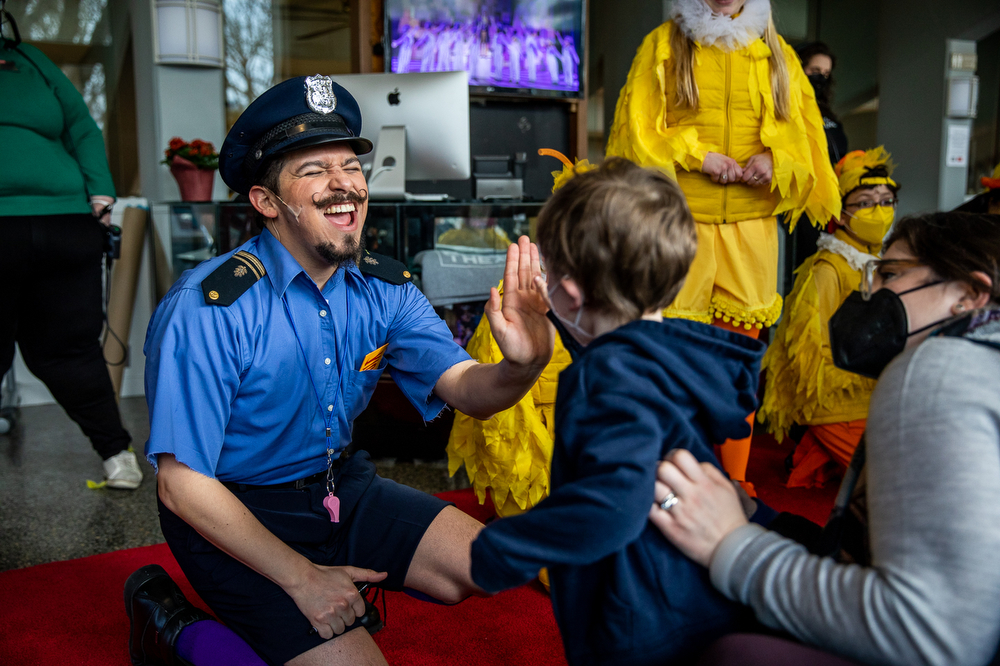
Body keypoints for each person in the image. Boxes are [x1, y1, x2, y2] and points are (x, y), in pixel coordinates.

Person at [132, 75, 553, 666]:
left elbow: (469, 391)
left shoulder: (385, 287)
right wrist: (303, 579)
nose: (343, 186)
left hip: (337, 487)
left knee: (485, 567)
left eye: (351, 167)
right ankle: (174, 626)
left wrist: (525, 363)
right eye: (313, 171)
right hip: (233, 512)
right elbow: (181, 484)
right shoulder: (209, 308)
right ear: (266, 203)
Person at [650, 212, 1000, 666]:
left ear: (970, 294)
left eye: (890, 274)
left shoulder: (935, 368)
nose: (870, 292)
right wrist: (762, 518)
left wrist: (727, 543)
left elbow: (932, 634)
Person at [469, 158, 768, 665]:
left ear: (567, 292)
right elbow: (620, 361)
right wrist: (564, 324)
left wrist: (500, 549)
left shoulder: (605, 376)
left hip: (636, 614)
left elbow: (614, 502)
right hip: (689, 588)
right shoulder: (666, 352)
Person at [605, 0, 840, 495]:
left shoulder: (778, 53)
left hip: (752, 231)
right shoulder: (663, 45)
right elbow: (638, 132)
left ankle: (733, 479)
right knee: (671, 356)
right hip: (678, 225)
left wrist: (776, 159)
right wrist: (697, 156)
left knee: (737, 359)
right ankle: (671, 475)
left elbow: (806, 136)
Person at [0, 3, 140, 489]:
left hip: (64, 224)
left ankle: (118, 454)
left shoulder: (31, 60)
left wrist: (100, 191)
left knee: (69, 351)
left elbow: (81, 125)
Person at [759, 147, 900, 488]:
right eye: (864, 202)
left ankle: (813, 454)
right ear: (842, 211)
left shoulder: (878, 262)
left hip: (870, 394)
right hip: (835, 399)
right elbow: (808, 352)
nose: (878, 212)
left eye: (885, 201)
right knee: (890, 480)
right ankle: (819, 440)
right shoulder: (829, 268)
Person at [788, 41, 849, 286]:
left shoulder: (827, 113)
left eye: (825, 74)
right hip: (797, 204)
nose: (820, 78)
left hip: (827, 204)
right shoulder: (787, 106)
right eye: (814, 71)